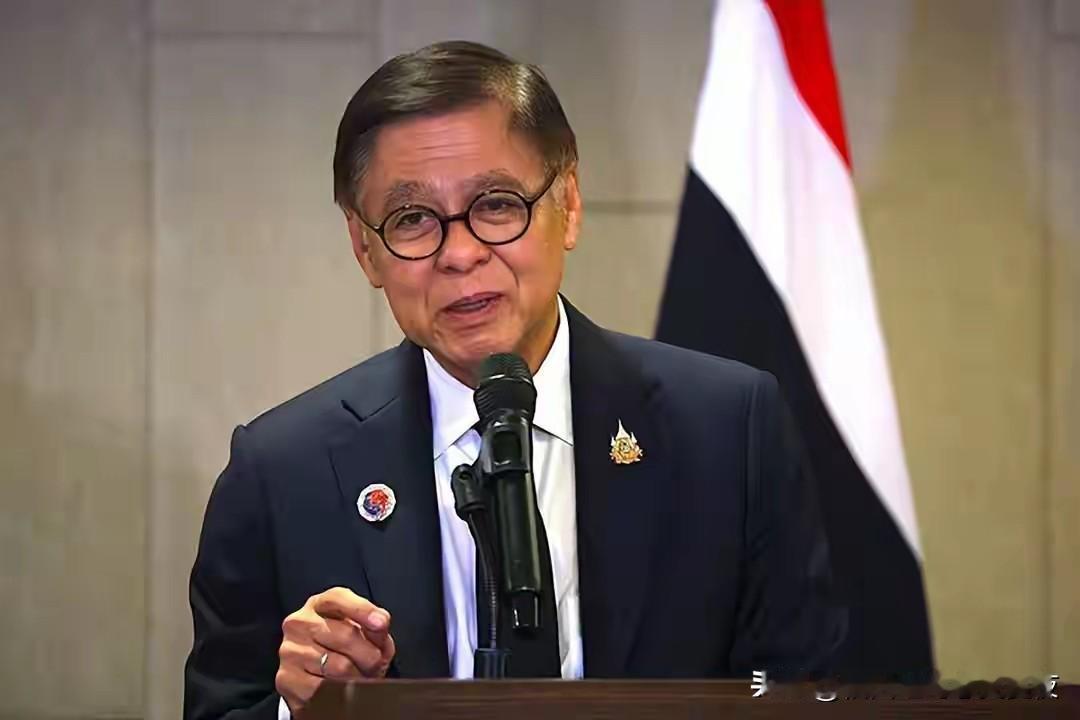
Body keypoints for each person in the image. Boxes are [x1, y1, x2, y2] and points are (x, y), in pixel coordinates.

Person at [183, 41, 846, 720]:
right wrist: (302, 710)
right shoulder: (281, 472)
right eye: (412, 219)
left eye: (496, 204)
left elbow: (800, 694)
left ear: (569, 204)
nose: (461, 254)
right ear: (364, 248)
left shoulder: (728, 431)